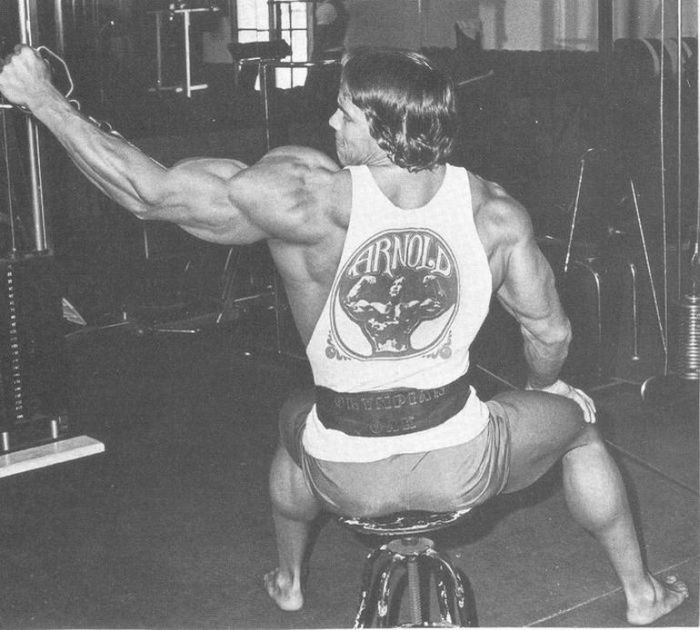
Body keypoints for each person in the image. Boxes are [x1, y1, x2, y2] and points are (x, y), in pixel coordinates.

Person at [0, 45, 688, 626]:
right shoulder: (496, 212)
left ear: (386, 131)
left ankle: (289, 581)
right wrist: (545, 389)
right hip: (464, 461)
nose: (331, 121)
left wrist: (42, 100)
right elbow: (551, 333)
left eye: (346, 113)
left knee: (294, 420)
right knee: (581, 426)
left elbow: (146, 193)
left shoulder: (304, 197)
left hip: (341, 472)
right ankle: (641, 594)